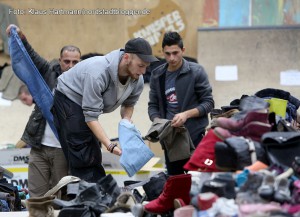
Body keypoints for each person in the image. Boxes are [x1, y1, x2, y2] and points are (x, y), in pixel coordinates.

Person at [52, 37, 158, 182]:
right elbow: (91, 117)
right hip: (68, 98)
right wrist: (110, 145)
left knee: (94, 150)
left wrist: (126, 123)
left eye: (146, 66)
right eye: (141, 65)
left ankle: (96, 193)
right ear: (126, 57)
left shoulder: (137, 80)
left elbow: (129, 104)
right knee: (82, 151)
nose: (144, 71)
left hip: (88, 107)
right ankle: (87, 196)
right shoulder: (98, 72)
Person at [6, 24, 81, 197]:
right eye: (66, 61)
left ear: (80, 62)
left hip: (63, 150)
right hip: (39, 146)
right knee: (36, 197)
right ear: (60, 61)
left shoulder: (85, 84)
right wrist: (21, 37)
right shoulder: (48, 72)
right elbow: (31, 56)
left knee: (58, 199)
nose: (70, 65)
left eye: (75, 62)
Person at [148, 31, 214, 175]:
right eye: (167, 54)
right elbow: (152, 106)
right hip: (171, 139)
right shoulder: (157, 75)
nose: (171, 58)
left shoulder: (196, 72)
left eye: (175, 53)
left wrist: (186, 115)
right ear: (162, 52)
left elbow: (208, 103)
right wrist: (159, 122)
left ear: (183, 50)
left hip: (195, 135)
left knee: (196, 179)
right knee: (175, 181)